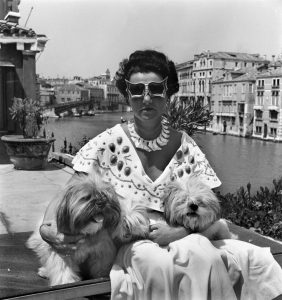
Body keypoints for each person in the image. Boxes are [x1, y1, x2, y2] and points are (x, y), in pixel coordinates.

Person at [40, 50, 282, 300]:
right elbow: (66, 193)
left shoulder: (186, 146)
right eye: (137, 90)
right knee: (155, 260)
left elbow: (210, 207)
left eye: (156, 88)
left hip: (184, 236)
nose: (146, 98)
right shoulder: (108, 142)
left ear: (168, 94)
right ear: (127, 95)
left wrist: (180, 232)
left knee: (206, 254)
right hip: (128, 243)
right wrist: (47, 230)